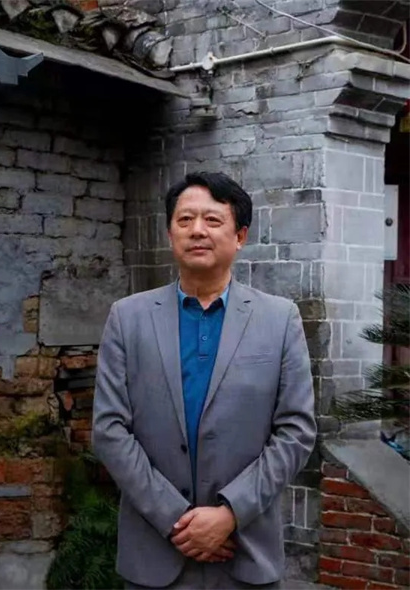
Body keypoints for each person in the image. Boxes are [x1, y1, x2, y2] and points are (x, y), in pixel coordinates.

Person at [92, 171, 317, 590]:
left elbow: (296, 431)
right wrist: (176, 518)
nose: (197, 230)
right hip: (154, 555)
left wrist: (230, 513)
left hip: (245, 551)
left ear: (240, 236)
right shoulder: (128, 317)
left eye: (213, 220)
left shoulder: (279, 319)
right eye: (185, 220)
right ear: (170, 233)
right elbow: (109, 430)